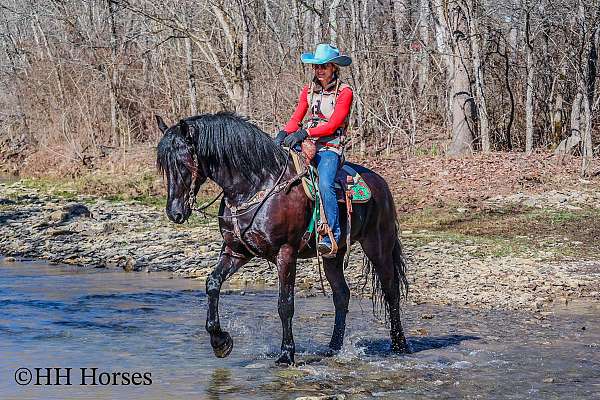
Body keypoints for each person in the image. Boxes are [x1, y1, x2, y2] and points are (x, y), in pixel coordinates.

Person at [274, 43, 353, 257]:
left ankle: (332, 235)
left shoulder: (345, 92)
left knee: (326, 184)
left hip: (329, 147)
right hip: (307, 144)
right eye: (316, 66)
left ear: (334, 68)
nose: (319, 70)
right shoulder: (308, 91)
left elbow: (334, 123)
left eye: (324, 66)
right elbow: (296, 117)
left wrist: (305, 133)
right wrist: (283, 133)